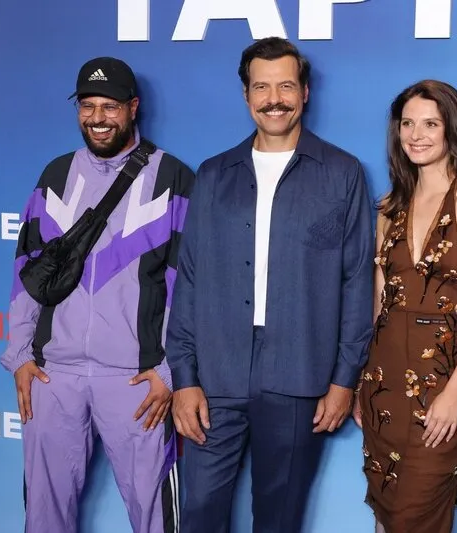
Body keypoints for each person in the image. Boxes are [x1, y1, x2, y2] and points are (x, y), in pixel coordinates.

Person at [165, 37, 375, 533]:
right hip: (215, 373)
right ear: (246, 95)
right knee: (200, 512)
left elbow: (355, 282)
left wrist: (344, 379)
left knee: (279, 519)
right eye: (261, 87)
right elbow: (189, 277)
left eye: (285, 86)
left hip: (300, 373)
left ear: (304, 92)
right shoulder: (214, 174)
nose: (274, 99)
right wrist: (184, 377)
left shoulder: (342, 173)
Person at [0, 56, 195, 533]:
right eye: (87, 106)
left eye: (110, 107)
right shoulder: (56, 174)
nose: (97, 118)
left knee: (155, 517)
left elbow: (191, 285)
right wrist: (20, 355)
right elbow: (27, 270)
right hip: (53, 376)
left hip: (136, 380)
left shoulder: (173, 178)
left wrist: (169, 370)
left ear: (133, 108)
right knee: (43, 515)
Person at [352, 80, 457, 532]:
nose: (416, 135)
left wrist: (454, 393)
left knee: (415, 517)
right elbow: (379, 305)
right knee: (386, 516)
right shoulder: (388, 207)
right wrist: (362, 380)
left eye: (430, 124)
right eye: (408, 124)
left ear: (451, 129)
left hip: (441, 388)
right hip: (382, 387)